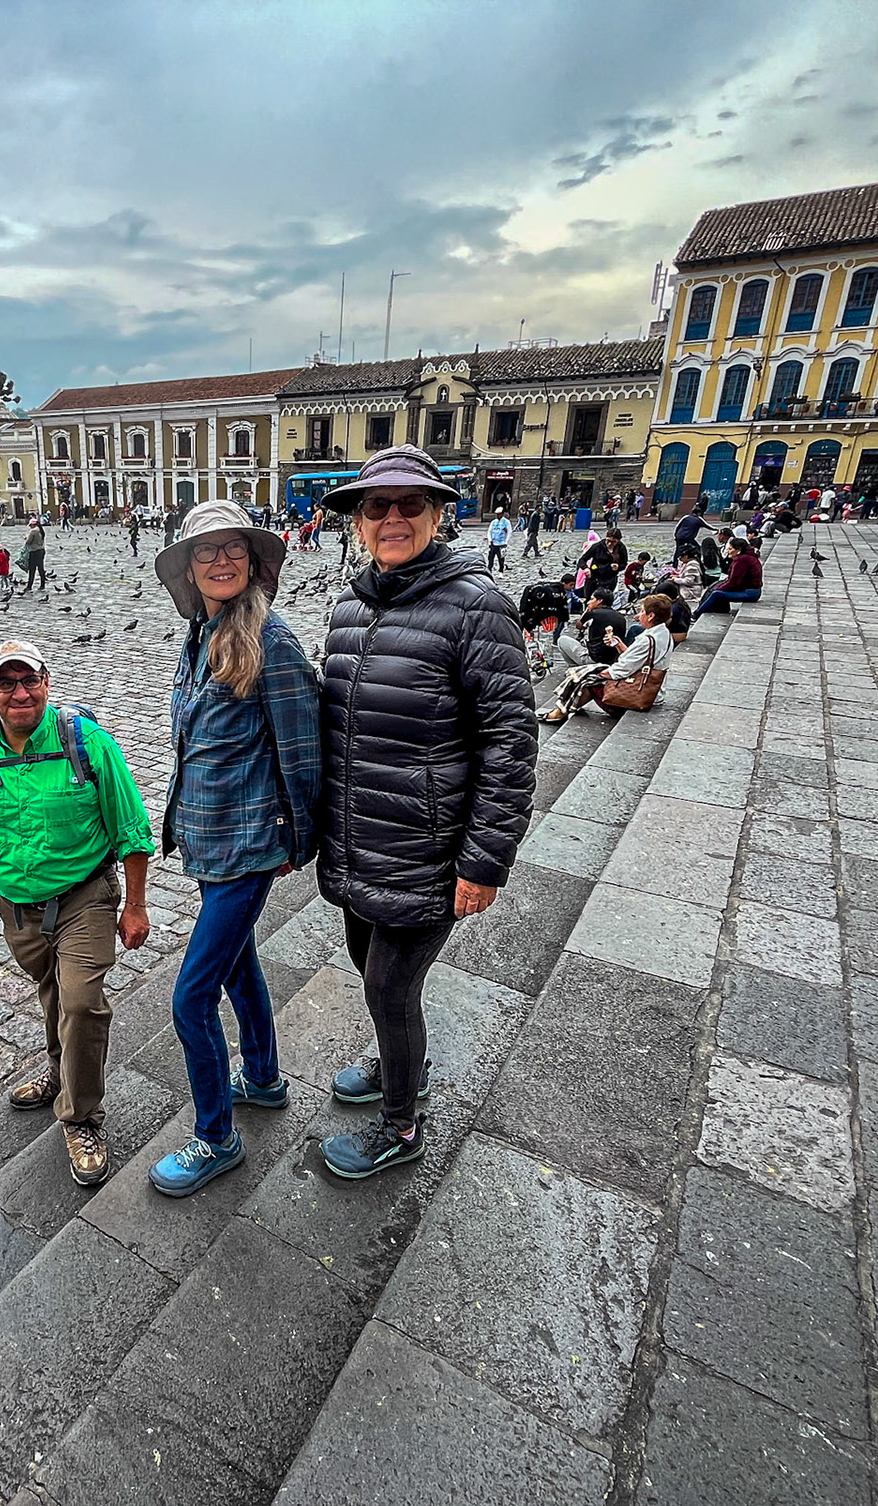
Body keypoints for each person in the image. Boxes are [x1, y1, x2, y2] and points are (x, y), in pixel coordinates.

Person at [315, 446, 536, 1179]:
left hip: (428, 848)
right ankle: (398, 1062)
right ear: (357, 522)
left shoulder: (477, 606)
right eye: (377, 506)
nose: (393, 518)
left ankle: (400, 1126)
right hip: (359, 840)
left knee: (388, 985)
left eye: (411, 504)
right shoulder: (350, 606)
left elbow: (510, 740)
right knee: (368, 970)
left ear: (440, 514)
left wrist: (484, 860)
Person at [145, 502, 322, 1195]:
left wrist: (295, 840)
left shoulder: (270, 642)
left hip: (250, 846)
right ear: (190, 569)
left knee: (190, 998)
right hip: (209, 840)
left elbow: (303, 752)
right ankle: (266, 1079)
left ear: (251, 562)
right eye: (205, 551)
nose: (220, 561)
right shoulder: (202, 635)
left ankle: (216, 1136)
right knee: (237, 963)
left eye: (232, 550)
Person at [0, 641, 155, 1187]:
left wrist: (135, 905)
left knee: (81, 1003)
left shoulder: (86, 742)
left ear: (47, 682)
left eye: (28, 680)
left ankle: (81, 1116)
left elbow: (131, 826)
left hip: (85, 896)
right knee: (57, 994)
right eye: (6, 683)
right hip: (17, 909)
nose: (20, 693)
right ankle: (64, 1072)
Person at [541, 594, 675, 723]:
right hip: (652, 690)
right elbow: (637, 659)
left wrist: (595, 672)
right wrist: (618, 644)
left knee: (588, 680)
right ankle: (564, 709)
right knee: (588, 675)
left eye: (642, 612)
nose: (638, 615)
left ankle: (560, 712)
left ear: (651, 616)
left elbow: (620, 670)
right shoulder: (663, 633)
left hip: (638, 695)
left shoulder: (647, 640)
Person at [694, 536, 763, 614]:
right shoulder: (747, 557)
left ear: (738, 551)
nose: (728, 551)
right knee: (715, 587)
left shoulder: (742, 560)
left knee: (716, 593)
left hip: (750, 592)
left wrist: (718, 589)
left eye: (730, 549)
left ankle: (697, 613)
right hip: (750, 589)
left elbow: (734, 582)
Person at [22, 516, 49, 593]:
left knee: (32, 570)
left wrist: (26, 537)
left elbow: (28, 542)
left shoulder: (33, 531)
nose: (30, 527)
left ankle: (29, 586)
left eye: (30, 525)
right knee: (41, 569)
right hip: (41, 550)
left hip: (34, 551)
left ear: (33, 525)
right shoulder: (41, 530)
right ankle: (42, 585)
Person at [485, 507, 512, 573]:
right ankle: (489, 569)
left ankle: (501, 571)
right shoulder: (493, 522)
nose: (497, 516)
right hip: (493, 543)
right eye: (496, 514)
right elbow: (489, 531)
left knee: (501, 558)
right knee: (490, 558)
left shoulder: (506, 522)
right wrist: (490, 540)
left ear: (502, 514)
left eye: (499, 514)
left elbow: (509, 532)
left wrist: (506, 541)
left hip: (502, 543)